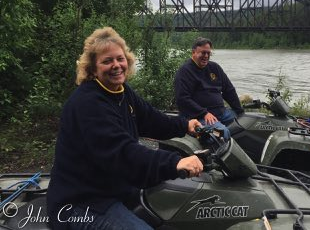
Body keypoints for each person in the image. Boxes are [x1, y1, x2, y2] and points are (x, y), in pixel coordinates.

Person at [47, 27, 203, 230]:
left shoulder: (120, 92)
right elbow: (122, 153)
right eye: (107, 61)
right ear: (93, 69)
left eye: (119, 59)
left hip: (113, 189)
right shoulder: (88, 103)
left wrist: (185, 125)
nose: (116, 65)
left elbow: (151, 119)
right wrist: (175, 163)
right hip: (83, 202)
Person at [174, 37, 244, 139]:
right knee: (221, 133)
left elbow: (229, 90)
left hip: (222, 113)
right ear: (193, 52)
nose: (206, 56)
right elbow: (182, 99)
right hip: (199, 117)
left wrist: (239, 110)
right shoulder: (184, 72)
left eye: (208, 53)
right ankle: (213, 151)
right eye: (203, 53)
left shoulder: (215, 68)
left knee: (247, 122)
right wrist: (204, 113)